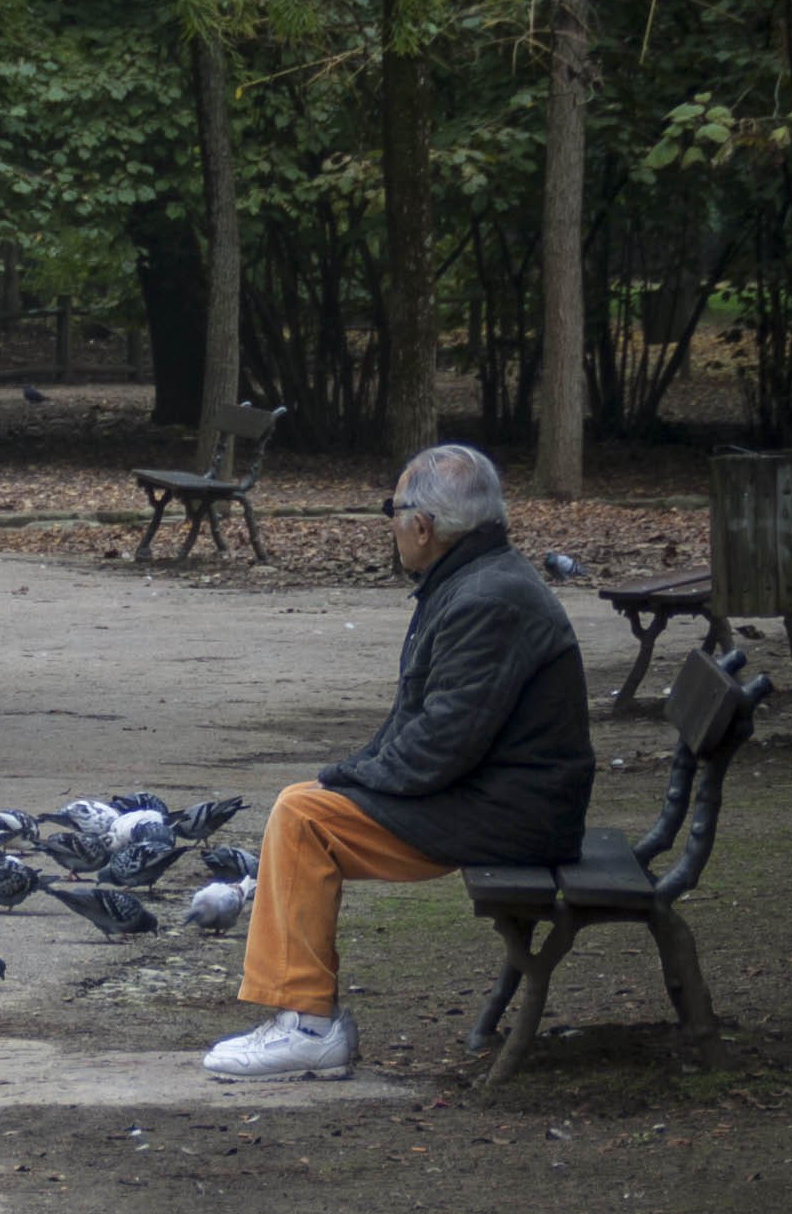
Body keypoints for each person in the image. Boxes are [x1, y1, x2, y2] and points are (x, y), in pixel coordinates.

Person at [205, 443, 595, 1081]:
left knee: (305, 816)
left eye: (392, 507)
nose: (388, 520)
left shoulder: (484, 597)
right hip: (502, 797)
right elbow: (425, 727)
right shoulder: (474, 580)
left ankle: (307, 1025)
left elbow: (440, 743)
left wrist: (346, 776)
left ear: (424, 525)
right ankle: (301, 1018)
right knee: (308, 803)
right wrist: (351, 772)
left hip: (512, 813)